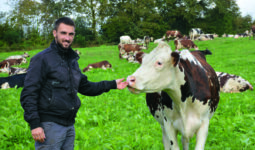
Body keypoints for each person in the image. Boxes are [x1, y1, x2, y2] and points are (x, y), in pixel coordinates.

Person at [20, 17, 128, 150]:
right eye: (63, 33)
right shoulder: (42, 59)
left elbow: (86, 87)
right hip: (50, 126)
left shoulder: (71, 60)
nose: (67, 38)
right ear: (55, 33)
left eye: (71, 34)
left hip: (69, 124)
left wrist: (112, 84)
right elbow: (29, 93)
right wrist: (35, 124)